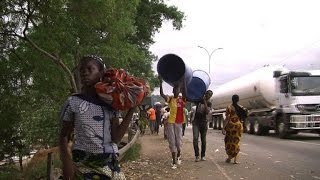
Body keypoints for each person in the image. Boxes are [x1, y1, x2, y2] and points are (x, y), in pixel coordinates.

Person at [59, 55, 136, 180]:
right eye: (82, 70)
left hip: (108, 163)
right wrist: (66, 162)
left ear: (101, 73)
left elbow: (115, 139)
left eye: (90, 69)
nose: (84, 73)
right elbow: (63, 135)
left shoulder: (111, 103)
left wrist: (132, 108)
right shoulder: (73, 102)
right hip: (82, 162)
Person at [159, 77, 186, 169]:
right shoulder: (170, 99)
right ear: (173, 91)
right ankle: (174, 161)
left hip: (179, 123)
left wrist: (184, 82)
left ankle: (178, 156)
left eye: (178, 90)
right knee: (172, 141)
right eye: (175, 90)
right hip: (171, 122)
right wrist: (160, 83)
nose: (177, 92)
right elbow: (161, 94)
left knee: (179, 141)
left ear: (179, 91)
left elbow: (186, 93)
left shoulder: (182, 100)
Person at [223, 94, 247, 164]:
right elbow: (243, 118)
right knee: (237, 141)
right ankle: (235, 160)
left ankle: (229, 157)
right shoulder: (241, 107)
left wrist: (223, 128)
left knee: (228, 141)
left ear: (232, 99)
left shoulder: (229, 107)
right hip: (238, 126)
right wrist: (244, 126)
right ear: (238, 100)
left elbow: (227, 118)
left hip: (230, 127)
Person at [192, 90, 213, 162]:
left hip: (204, 122)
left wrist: (205, 102)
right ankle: (197, 155)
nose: (207, 95)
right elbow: (193, 99)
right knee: (195, 138)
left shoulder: (209, 103)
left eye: (209, 95)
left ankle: (203, 155)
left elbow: (207, 112)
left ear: (210, 96)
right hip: (196, 122)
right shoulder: (199, 100)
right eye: (207, 94)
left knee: (203, 140)